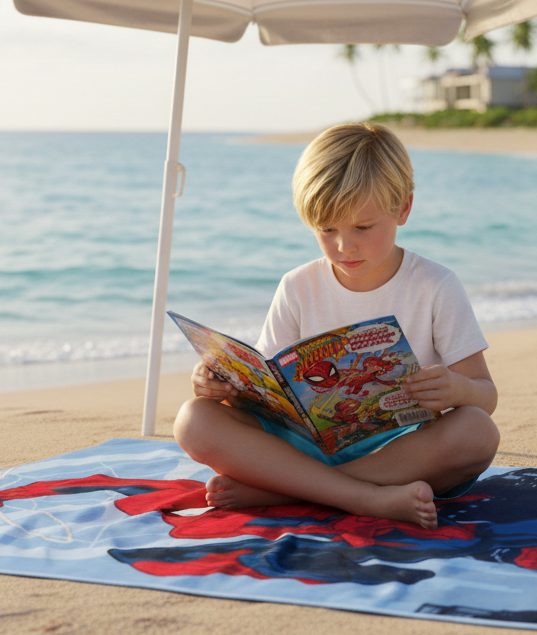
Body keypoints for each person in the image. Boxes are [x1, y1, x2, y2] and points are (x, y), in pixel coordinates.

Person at [174, 122, 499, 529]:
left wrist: (457, 388)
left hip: (398, 449)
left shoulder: (435, 286)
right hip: (304, 445)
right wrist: (217, 384)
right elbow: (266, 390)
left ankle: (285, 492)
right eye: (327, 230)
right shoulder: (297, 286)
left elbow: (485, 396)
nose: (345, 246)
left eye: (363, 227)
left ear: (403, 208)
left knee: (477, 432)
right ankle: (362, 497)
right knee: (193, 419)